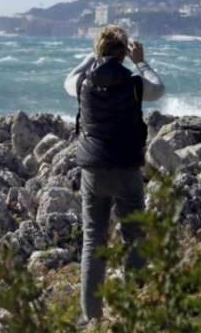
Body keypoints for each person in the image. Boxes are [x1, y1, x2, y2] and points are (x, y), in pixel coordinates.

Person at [63, 25, 165, 325]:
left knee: (94, 240)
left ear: (98, 50)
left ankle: (91, 316)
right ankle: (133, 311)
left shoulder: (83, 83)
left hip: (94, 170)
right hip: (127, 169)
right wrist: (141, 62)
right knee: (134, 238)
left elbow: (68, 78)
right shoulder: (134, 84)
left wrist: (90, 57)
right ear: (124, 53)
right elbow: (158, 88)